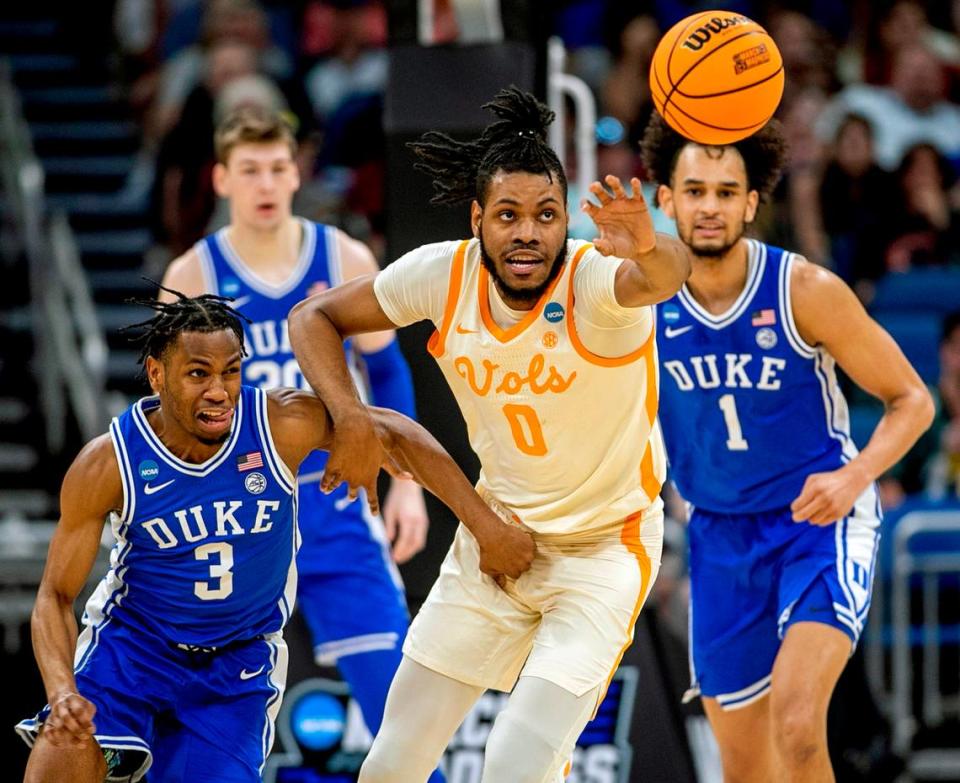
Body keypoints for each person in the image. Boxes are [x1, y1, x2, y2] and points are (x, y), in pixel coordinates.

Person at [288, 87, 692, 782]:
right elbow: (312, 317)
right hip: (494, 541)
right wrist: (350, 416)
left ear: (568, 221)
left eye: (545, 215)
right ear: (478, 219)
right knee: (388, 765)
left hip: (603, 552)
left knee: (515, 760)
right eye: (508, 215)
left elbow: (664, 276)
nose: (527, 233)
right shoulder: (443, 275)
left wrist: (651, 246)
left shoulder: (594, 281)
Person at [15, 293, 532, 783]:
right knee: (63, 749)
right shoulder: (109, 462)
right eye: (198, 374)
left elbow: (396, 431)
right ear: (157, 374)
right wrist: (62, 693)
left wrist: (487, 528)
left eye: (230, 372)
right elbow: (54, 597)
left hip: (235, 662)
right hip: (135, 648)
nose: (219, 391)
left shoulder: (279, 423)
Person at [640, 113, 934, 782]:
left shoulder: (804, 290)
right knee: (746, 769)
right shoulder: (640, 304)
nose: (709, 206)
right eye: (694, 190)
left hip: (817, 524)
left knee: (798, 724)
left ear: (750, 202)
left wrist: (853, 477)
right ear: (667, 201)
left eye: (724, 191)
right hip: (719, 536)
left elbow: (913, 400)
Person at [159, 106, 433, 756]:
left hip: (336, 495)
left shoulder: (342, 256)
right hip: (238, 510)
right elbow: (171, 414)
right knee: (209, 720)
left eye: (277, 168)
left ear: (296, 173)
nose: (264, 183)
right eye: (249, 170)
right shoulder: (190, 278)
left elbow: (388, 371)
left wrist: (407, 485)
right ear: (222, 179)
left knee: (400, 710)